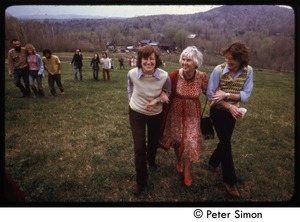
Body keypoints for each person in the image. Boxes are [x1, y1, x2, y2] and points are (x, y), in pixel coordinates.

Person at [206, 41, 254, 198]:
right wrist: (229, 105)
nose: (228, 62)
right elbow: (211, 95)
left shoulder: (248, 71)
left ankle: (213, 162)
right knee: (226, 143)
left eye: (231, 60)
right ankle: (230, 181)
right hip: (218, 111)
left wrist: (226, 94)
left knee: (224, 141)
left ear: (241, 60)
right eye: (226, 59)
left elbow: (246, 95)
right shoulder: (218, 70)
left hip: (234, 113)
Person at [159, 46, 208, 187]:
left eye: (189, 60)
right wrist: (162, 93)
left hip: (193, 114)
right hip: (176, 113)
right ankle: (178, 160)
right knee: (177, 140)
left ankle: (187, 171)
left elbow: (209, 92)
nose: (185, 63)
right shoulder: (174, 75)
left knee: (190, 142)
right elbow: (164, 89)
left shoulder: (202, 77)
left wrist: (224, 99)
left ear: (196, 62)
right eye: (184, 59)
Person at [127, 45, 171, 195]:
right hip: (136, 112)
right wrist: (130, 101)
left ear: (156, 60)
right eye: (145, 59)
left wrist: (157, 99)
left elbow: (168, 93)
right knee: (139, 147)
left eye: (151, 59)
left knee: (153, 142)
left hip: (156, 114)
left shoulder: (164, 76)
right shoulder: (132, 73)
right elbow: (130, 87)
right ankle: (141, 181)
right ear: (140, 60)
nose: (148, 62)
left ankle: (151, 160)